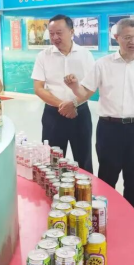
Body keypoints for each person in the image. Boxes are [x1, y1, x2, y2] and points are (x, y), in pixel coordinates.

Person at [64, 18, 134, 215]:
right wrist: (74, 87)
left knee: (133, 181)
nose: (133, 42)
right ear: (116, 37)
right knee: (107, 179)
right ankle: (101, 220)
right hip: (109, 130)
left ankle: (132, 221)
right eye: (128, 37)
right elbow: (85, 93)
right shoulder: (102, 64)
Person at [31, 15, 96, 172]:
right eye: (51, 33)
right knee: (52, 161)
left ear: (71, 32)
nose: (54, 37)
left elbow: (91, 87)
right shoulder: (43, 56)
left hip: (80, 113)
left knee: (84, 159)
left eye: (59, 33)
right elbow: (38, 88)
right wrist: (63, 105)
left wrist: (74, 104)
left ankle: (86, 187)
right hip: (53, 114)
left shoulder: (85, 55)